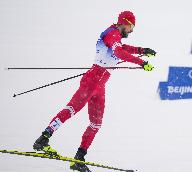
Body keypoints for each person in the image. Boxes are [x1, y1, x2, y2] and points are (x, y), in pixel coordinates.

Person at [33, 11, 156, 172]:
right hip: (92, 81)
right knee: (71, 109)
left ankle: (79, 158)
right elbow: (119, 52)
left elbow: (122, 48)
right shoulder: (111, 33)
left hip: (100, 86)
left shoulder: (116, 37)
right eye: (131, 26)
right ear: (123, 22)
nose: (131, 30)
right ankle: (44, 138)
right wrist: (141, 62)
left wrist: (141, 49)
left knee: (96, 123)